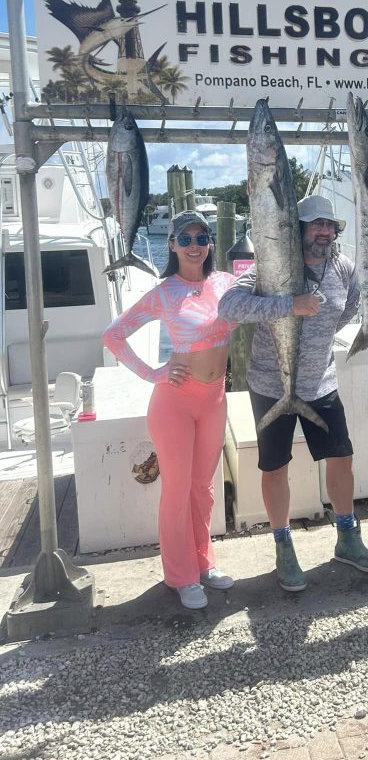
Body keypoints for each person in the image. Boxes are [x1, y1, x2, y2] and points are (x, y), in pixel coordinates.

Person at [218, 194, 368, 592]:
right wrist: (289, 305)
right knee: (274, 467)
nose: (324, 231)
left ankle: (347, 536)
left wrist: (319, 336)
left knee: (342, 459)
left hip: (320, 384)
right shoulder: (270, 269)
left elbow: (350, 308)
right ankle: (283, 545)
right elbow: (229, 307)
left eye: (329, 224)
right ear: (298, 231)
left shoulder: (342, 267)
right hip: (270, 385)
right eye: (316, 224)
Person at [103, 212, 237, 610]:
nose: (195, 244)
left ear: (210, 244)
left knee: (204, 488)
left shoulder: (227, 283)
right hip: (175, 403)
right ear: (173, 245)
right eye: (186, 237)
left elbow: (264, 301)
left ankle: (203, 561)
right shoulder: (165, 292)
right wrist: (152, 373)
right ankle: (180, 576)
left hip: (214, 399)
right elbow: (114, 335)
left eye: (202, 237)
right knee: (176, 491)